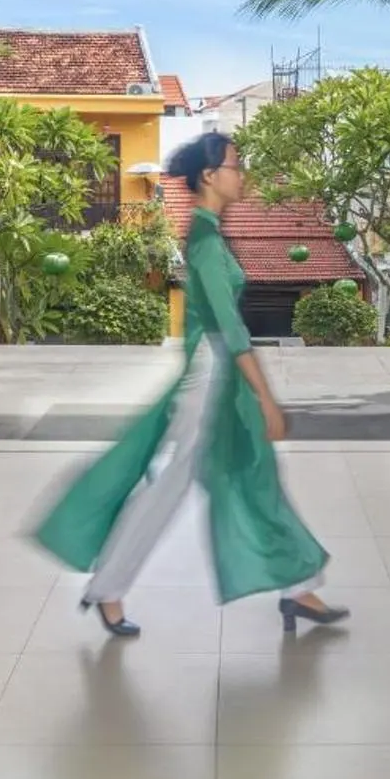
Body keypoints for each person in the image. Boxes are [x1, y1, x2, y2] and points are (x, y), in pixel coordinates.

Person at [35, 131, 347, 637]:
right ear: (209, 176)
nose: (241, 175)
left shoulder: (210, 233)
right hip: (212, 378)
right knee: (179, 484)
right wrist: (266, 398)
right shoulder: (203, 240)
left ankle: (299, 589)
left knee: (253, 475)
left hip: (218, 372)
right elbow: (228, 325)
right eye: (234, 166)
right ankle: (109, 587)